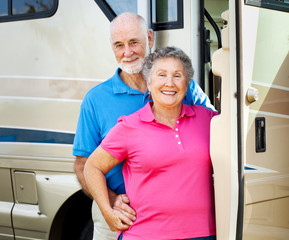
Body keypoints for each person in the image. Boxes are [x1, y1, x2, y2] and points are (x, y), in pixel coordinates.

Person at [73, 12, 216, 240]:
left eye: (133, 42)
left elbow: (216, 128)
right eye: (119, 45)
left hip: (183, 221)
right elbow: (84, 164)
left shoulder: (184, 90)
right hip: (120, 210)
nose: (127, 52)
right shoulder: (96, 99)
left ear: (149, 39)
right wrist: (109, 200)